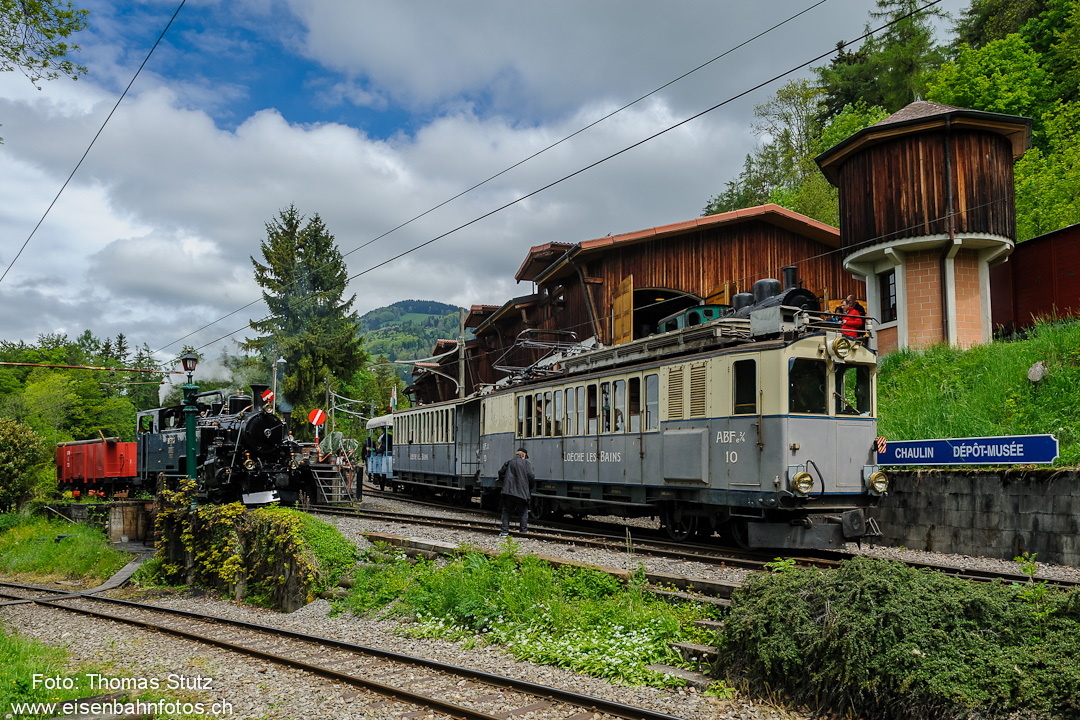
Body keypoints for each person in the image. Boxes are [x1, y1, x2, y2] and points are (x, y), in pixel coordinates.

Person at [499, 447, 534, 537]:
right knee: (523, 513)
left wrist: (506, 482)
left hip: (508, 492)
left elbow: (500, 473)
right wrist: (529, 487)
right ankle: (523, 532)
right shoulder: (526, 463)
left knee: (506, 511)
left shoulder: (509, 462)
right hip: (521, 492)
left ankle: (504, 532)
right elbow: (531, 476)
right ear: (524, 455)